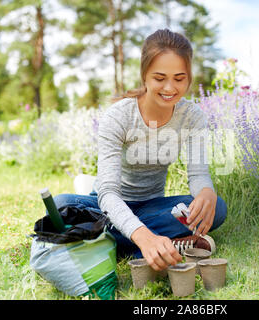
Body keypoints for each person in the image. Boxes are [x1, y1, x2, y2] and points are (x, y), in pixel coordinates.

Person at [52, 29, 227, 271]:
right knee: (59, 207)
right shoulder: (119, 116)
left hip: (153, 205)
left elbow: (198, 174)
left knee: (217, 208)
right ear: (144, 75)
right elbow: (109, 194)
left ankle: (108, 243)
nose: (170, 88)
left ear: (189, 77)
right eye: (159, 78)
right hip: (110, 204)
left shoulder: (192, 117)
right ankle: (158, 244)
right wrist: (143, 235)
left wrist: (206, 192)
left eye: (179, 78)